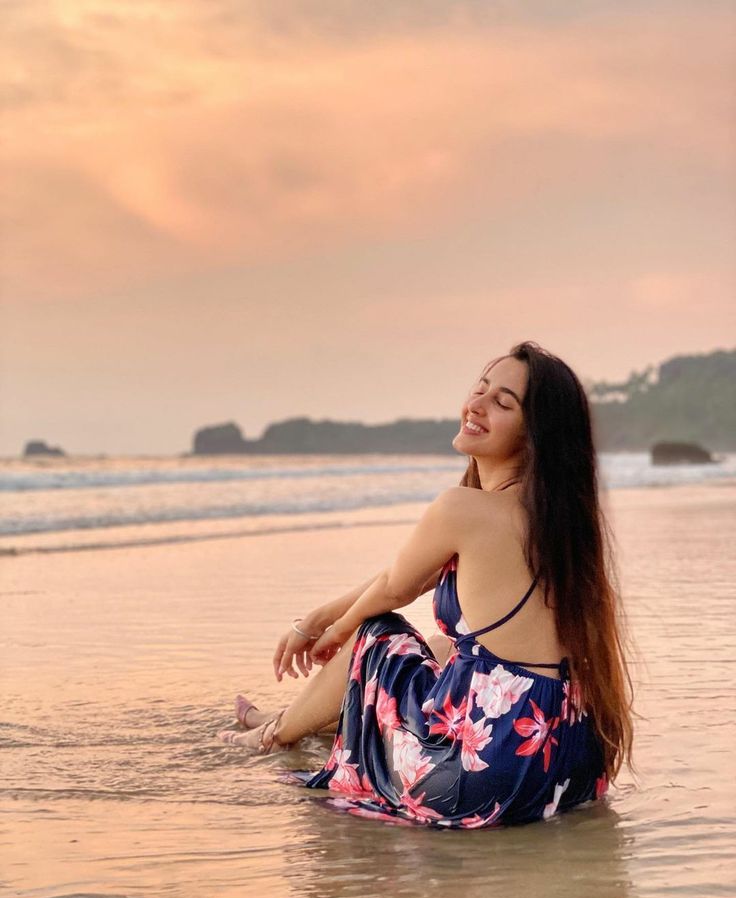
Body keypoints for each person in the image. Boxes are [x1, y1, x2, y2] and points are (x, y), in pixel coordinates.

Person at [218, 340, 634, 828]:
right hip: (570, 767)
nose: (476, 405)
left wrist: (336, 633)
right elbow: (405, 576)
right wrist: (318, 618)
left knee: (376, 635)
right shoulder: (558, 520)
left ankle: (275, 733)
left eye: (501, 403)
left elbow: (394, 591)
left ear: (535, 434)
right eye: (480, 390)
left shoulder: (463, 508)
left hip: (486, 779)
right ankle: (299, 715)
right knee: (436, 647)